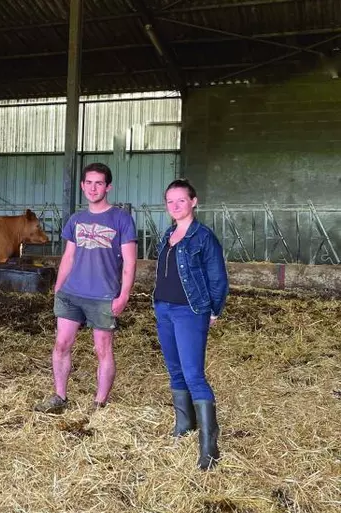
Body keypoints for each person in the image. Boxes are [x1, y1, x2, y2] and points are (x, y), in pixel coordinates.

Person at [35, 162, 137, 414]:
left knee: (102, 349)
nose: (93, 188)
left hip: (103, 295)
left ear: (108, 187)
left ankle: (99, 404)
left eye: (99, 183)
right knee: (61, 344)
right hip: (72, 294)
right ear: (82, 186)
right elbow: (68, 257)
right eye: (89, 183)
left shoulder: (121, 219)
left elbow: (130, 262)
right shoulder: (76, 219)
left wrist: (124, 294)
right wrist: (58, 289)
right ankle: (59, 396)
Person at [153, 179, 228, 470]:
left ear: (193, 202)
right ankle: (184, 425)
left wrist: (213, 310)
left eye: (181, 200)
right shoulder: (168, 234)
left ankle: (209, 445)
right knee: (175, 369)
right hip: (164, 309)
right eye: (170, 202)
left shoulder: (203, 237)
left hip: (190, 311)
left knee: (194, 374)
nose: (175, 206)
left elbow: (218, 278)